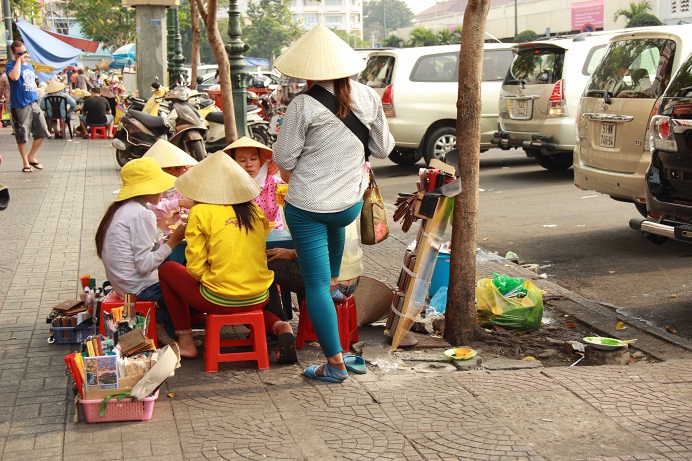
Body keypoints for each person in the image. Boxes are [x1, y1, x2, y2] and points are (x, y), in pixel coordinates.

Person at [272, 25, 394, 383]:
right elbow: (384, 148)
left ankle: (335, 364)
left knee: (317, 286)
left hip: (308, 207)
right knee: (332, 283)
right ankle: (344, 351)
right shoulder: (369, 96)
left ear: (308, 69)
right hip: (348, 207)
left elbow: (284, 158)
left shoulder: (304, 104)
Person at [158, 151, 297, 363]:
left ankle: (185, 342)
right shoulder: (254, 210)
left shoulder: (201, 212)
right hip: (259, 295)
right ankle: (281, 326)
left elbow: (195, 268)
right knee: (247, 302)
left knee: (167, 270)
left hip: (218, 299)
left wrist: (213, 279)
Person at [95, 156, 186, 342]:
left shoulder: (123, 209)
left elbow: (140, 247)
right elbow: (144, 265)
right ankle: (165, 328)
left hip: (123, 285)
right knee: (187, 290)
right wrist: (174, 241)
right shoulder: (141, 214)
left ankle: (168, 328)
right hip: (137, 288)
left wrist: (161, 226)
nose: (163, 190)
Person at [6, 40, 51, 173]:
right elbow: (14, 77)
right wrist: (19, 61)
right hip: (20, 104)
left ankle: (31, 156)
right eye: (19, 53)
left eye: (24, 52)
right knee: (22, 134)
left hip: (33, 102)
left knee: (43, 131)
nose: (23, 55)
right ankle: (25, 162)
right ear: (14, 53)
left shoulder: (30, 66)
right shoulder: (11, 65)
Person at [224, 136, 284, 230]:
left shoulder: (275, 183)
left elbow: (291, 204)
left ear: (260, 160)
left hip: (273, 233)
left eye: (253, 159)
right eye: (242, 160)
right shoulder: (228, 186)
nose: (249, 164)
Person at [142, 138, 197, 220]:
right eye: (167, 169)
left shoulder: (182, 183)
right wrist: (179, 203)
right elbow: (149, 208)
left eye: (177, 168)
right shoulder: (146, 184)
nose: (173, 172)